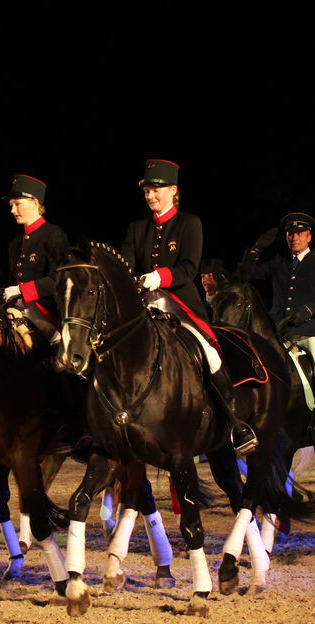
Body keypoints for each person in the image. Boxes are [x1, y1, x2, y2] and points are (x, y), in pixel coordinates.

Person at [122, 158, 256, 455]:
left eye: (156, 190)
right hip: (144, 307)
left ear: (173, 190)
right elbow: (127, 266)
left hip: (178, 306)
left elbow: (188, 267)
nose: (150, 196)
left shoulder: (189, 223)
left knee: (209, 352)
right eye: (146, 191)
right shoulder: (136, 228)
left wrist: (159, 277)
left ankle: (235, 422)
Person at [241, 211, 315, 444]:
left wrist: (308, 310)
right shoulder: (279, 262)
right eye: (290, 234)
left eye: (299, 233)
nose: (294, 238)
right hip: (279, 331)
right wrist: (256, 249)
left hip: (309, 330)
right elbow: (248, 274)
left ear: (308, 236)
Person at [0, 174, 69, 347]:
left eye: (17, 204)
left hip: (46, 313)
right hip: (16, 309)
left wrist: (22, 290)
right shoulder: (14, 244)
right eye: (11, 205)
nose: (12, 210)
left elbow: (58, 279)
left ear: (35, 203)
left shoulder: (53, 234)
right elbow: (10, 281)